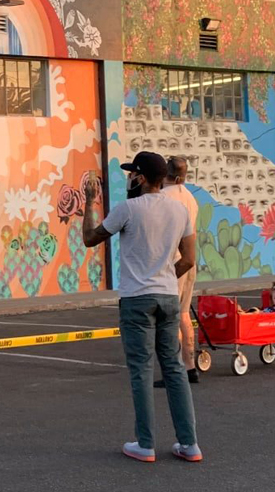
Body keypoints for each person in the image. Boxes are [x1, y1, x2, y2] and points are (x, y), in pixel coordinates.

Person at [81, 152, 202, 463]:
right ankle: (189, 444)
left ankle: (145, 443)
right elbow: (188, 259)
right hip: (167, 297)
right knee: (174, 369)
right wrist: (163, 277)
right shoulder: (179, 210)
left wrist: (90, 201)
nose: (129, 178)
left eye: (132, 173)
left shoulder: (128, 209)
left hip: (136, 299)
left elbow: (90, 238)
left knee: (141, 371)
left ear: (143, 177)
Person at [156, 155, 201, 387]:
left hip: (172, 261)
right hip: (190, 258)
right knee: (184, 314)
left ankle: (173, 371)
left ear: (167, 174)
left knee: (169, 318)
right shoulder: (190, 198)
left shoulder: (162, 197)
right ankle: (190, 366)